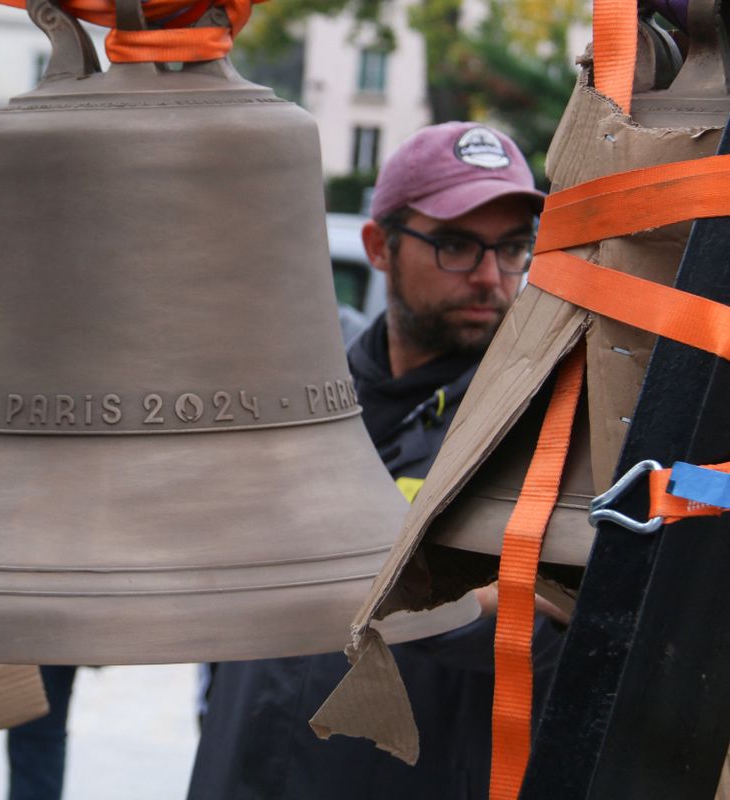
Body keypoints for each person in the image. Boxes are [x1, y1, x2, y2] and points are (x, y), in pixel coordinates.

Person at [187, 122, 565, 799]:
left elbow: (559, 636)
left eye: (512, 249)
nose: (489, 277)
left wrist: (385, 588)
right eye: (455, 245)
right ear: (378, 246)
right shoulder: (287, 403)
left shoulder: (546, 434)